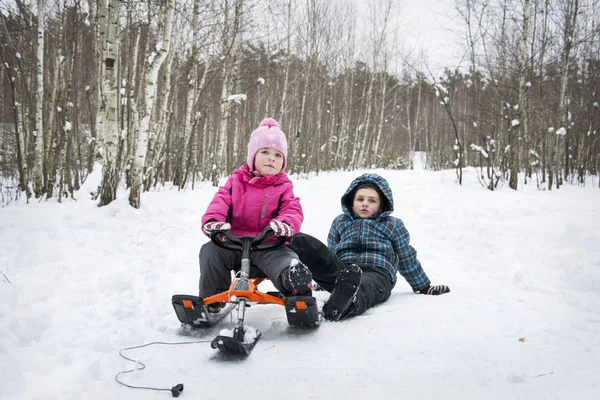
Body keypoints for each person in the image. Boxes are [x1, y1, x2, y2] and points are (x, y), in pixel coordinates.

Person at [288, 173, 450, 321]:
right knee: (301, 240)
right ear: (351, 203)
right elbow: (331, 253)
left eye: (372, 201)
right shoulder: (340, 221)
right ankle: (299, 284)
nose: (365, 203)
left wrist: (423, 286)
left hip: (377, 273)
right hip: (344, 269)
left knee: (364, 286)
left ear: (381, 207)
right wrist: (323, 279)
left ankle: (345, 304)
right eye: (360, 199)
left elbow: (406, 256)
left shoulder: (392, 225)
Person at [199, 118, 312, 311]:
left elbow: (292, 209)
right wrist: (213, 221)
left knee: (286, 260)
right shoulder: (235, 182)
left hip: (269, 244)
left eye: (278, 155)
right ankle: (213, 299)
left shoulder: (283, 187)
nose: (271, 158)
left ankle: (293, 281)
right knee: (210, 252)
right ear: (252, 157)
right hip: (233, 243)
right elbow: (220, 202)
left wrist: (285, 224)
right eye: (265, 152)